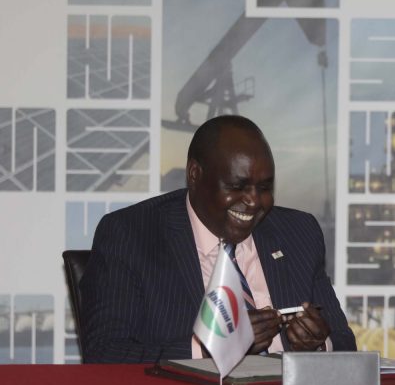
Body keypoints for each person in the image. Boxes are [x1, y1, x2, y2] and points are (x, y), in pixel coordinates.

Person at [79, 115, 356, 363]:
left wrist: (318, 345)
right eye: (237, 186)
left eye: (264, 187)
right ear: (195, 175)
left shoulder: (298, 232)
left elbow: (344, 343)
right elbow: (105, 352)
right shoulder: (131, 234)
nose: (253, 201)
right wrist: (211, 348)